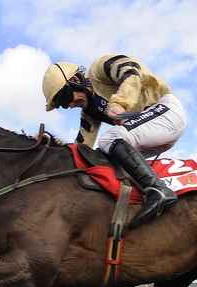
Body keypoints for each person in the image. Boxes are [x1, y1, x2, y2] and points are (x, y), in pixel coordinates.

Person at [41, 55, 187, 229]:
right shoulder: (89, 113)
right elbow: (81, 149)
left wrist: (120, 103)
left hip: (167, 111)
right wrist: (51, 144)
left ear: (74, 80)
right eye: (64, 105)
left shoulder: (99, 69)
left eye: (66, 98)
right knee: (100, 158)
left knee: (109, 139)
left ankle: (159, 191)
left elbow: (131, 70)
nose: (71, 105)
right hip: (154, 131)